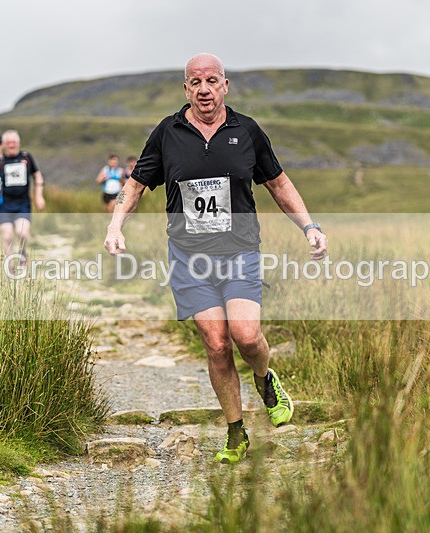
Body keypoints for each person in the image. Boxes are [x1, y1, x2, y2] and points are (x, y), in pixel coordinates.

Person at [104, 53, 328, 464]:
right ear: (186, 89)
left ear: (225, 85)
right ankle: (236, 430)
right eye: (195, 82)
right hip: (189, 258)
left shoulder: (247, 131)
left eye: (211, 81)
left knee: (245, 335)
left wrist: (309, 226)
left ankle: (265, 379)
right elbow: (134, 186)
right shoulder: (167, 133)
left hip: (239, 251)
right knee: (216, 343)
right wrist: (115, 226)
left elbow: (278, 183)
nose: (204, 89)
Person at [0, 129, 46, 265]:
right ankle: (9, 266)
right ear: (3, 145)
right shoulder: (0, 162)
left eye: (14, 142)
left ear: (18, 143)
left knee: (23, 234)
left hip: (23, 204)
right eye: (8, 142)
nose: (11, 145)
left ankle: (23, 253)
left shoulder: (26, 158)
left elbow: (37, 176)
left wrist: (39, 196)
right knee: (7, 236)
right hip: (5, 206)